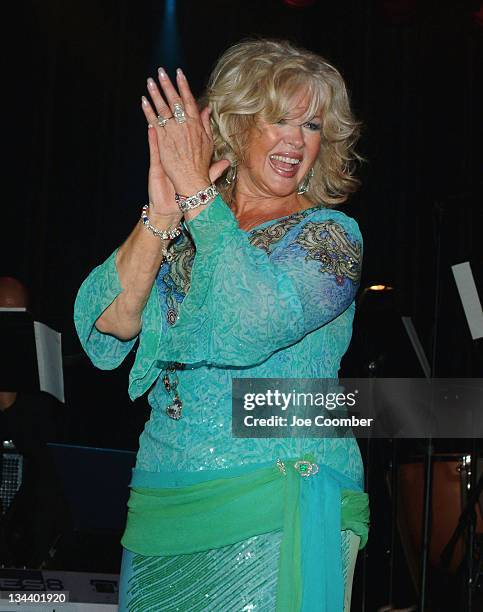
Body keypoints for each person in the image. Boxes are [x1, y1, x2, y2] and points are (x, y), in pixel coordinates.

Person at [74, 39, 369, 612]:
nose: (295, 139)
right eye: (277, 119)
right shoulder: (187, 230)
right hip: (163, 500)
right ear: (234, 127)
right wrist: (163, 210)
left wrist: (198, 197)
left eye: (311, 126)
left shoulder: (331, 236)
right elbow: (107, 325)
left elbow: (250, 320)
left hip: (274, 499)